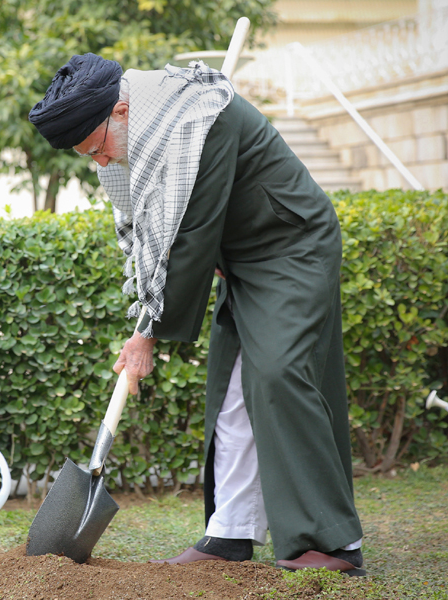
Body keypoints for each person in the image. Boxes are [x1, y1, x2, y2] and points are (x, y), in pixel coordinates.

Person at [28, 53, 365, 575]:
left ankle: (331, 543)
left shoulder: (200, 120)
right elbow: (155, 231)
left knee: (278, 374)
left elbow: (190, 237)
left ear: (120, 112)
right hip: (241, 260)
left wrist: (148, 336)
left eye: (96, 148)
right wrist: (149, 315)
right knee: (231, 392)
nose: (99, 163)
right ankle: (229, 533)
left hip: (291, 245)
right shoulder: (145, 132)